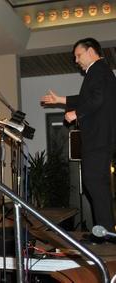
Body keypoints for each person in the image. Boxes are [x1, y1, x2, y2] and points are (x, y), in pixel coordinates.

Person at [41, 37, 116, 243]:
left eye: (78, 55)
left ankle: (105, 233)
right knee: (97, 185)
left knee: (95, 184)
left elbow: (96, 99)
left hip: (98, 139)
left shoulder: (98, 70)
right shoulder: (101, 71)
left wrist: (76, 114)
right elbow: (88, 98)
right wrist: (61, 100)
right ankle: (104, 232)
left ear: (91, 51)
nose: (76, 60)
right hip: (100, 138)